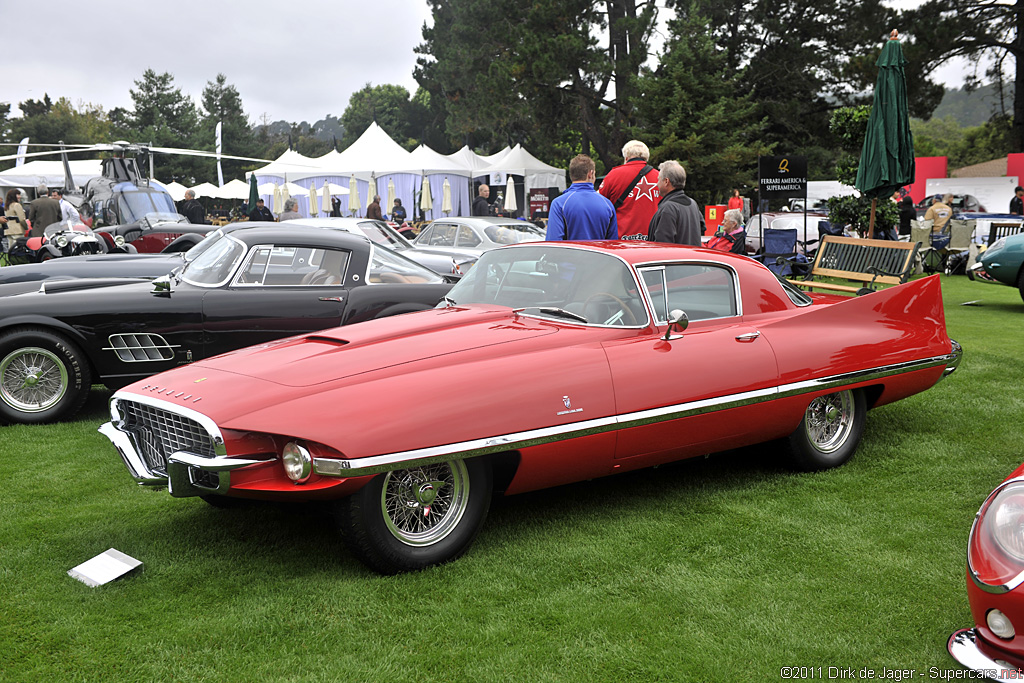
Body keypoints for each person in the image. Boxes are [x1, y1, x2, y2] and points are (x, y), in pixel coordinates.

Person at [545, 154, 617, 241]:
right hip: (599, 254)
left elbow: (553, 242)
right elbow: (612, 243)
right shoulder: (607, 204)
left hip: (570, 254)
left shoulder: (559, 204)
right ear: (590, 174)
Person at [597, 140, 659, 239]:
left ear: (626, 158)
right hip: (652, 240)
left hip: (622, 241)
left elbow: (598, 204)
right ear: (646, 158)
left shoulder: (614, 175)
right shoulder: (659, 177)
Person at [647, 160, 705, 245]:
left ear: (666, 181)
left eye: (658, 180)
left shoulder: (668, 208)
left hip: (675, 257)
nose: (657, 184)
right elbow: (702, 227)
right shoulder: (693, 204)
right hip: (692, 257)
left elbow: (662, 244)